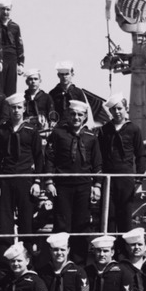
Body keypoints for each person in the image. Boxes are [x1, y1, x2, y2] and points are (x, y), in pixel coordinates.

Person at [44, 100, 102, 260]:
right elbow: (49, 158)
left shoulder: (91, 136)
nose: (76, 117)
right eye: (73, 114)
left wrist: (97, 185)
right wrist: (48, 181)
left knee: (81, 225)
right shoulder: (58, 134)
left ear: (84, 117)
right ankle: (59, 259)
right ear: (68, 115)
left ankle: (79, 263)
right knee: (62, 224)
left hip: (83, 185)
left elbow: (97, 162)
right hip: (62, 185)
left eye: (80, 115)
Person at [0, 93, 43, 258]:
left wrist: (37, 181)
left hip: (25, 179)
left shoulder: (31, 131)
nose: (16, 111)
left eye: (19, 107)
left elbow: (39, 157)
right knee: (4, 223)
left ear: (24, 108)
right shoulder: (1, 131)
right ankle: (3, 262)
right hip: (6, 180)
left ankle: (27, 260)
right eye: (13, 108)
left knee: (25, 223)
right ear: (9, 109)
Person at [98, 92, 146, 235]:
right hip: (109, 179)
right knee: (109, 216)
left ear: (126, 109)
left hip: (126, 177)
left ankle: (124, 252)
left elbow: (141, 155)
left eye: (119, 108)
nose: (117, 112)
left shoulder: (133, 130)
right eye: (113, 109)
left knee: (125, 217)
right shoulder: (104, 130)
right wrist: (99, 181)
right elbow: (99, 156)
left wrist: (139, 179)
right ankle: (111, 250)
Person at [0, 0, 24, 96]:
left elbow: (19, 45)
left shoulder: (15, 26)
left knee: (11, 88)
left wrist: (21, 63)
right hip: (0, 58)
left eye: (8, 9)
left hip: (12, 58)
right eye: (3, 9)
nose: (5, 12)